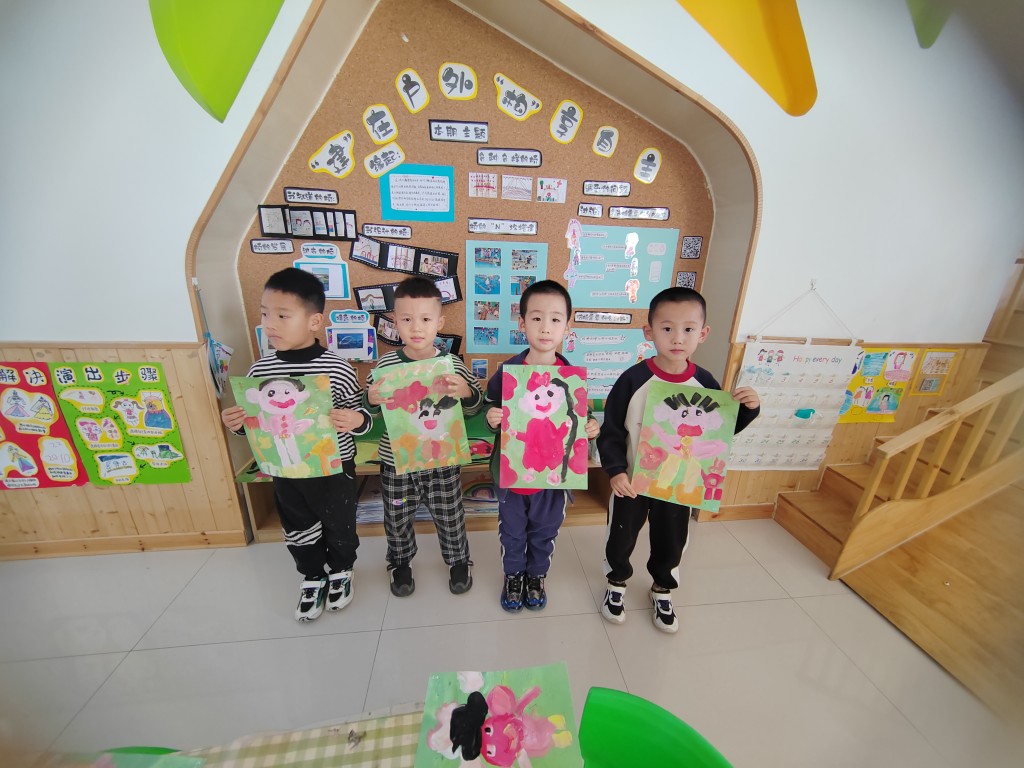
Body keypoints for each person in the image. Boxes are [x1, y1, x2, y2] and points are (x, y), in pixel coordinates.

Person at [596, 287, 760, 633]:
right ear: (649, 331)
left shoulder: (706, 383)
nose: (677, 338)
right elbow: (611, 430)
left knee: (672, 538)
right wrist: (615, 470)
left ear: (703, 333)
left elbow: (718, 434)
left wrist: (748, 410)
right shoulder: (632, 379)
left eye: (688, 329)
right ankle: (616, 583)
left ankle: (662, 588)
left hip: (678, 484)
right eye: (667, 328)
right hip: (632, 482)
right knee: (621, 536)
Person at [221, 268, 371, 622]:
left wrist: (356, 420)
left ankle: (341, 570)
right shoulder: (259, 372)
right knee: (297, 525)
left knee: (340, 524)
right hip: (285, 470)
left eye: (282, 315)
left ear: (314, 321)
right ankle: (312, 575)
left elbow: (362, 416)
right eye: (265, 314)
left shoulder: (338, 368)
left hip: (334, 469)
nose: (270, 324)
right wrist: (238, 425)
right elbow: (257, 427)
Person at [484, 280, 600, 612]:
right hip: (513, 479)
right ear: (522, 323)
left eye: (555, 319)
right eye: (536, 318)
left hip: (553, 480)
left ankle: (536, 576)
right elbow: (488, 410)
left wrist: (592, 427)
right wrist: (491, 419)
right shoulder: (507, 373)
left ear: (567, 324)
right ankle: (513, 576)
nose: (545, 327)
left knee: (545, 531)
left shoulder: (572, 377)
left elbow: (582, 417)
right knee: (512, 533)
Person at [364, 277, 484, 597]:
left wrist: (466, 392)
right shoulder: (386, 365)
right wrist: (371, 399)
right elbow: (371, 411)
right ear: (394, 321)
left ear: (439, 323)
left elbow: (474, 407)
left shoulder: (451, 364)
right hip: (397, 461)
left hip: (442, 459)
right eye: (406, 319)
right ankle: (400, 562)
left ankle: (458, 560)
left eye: (426, 319)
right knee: (397, 515)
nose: (416, 327)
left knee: (450, 514)